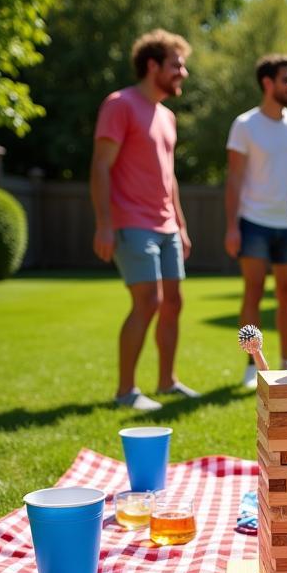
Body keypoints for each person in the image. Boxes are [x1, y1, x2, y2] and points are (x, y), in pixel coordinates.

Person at [91, 28, 199, 411]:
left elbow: (169, 178)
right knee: (147, 301)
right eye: (176, 65)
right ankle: (125, 392)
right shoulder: (120, 104)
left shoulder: (167, 116)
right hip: (130, 221)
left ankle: (167, 382)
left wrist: (181, 226)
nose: (183, 73)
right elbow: (101, 167)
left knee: (173, 302)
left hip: (166, 224)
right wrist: (104, 223)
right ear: (152, 65)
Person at [224, 54, 287, 390]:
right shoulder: (245, 125)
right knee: (253, 292)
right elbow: (234, 179)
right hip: (252, 222)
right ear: (268, 83)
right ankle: (252, 367)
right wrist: (232, 225)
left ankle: (286, 363)